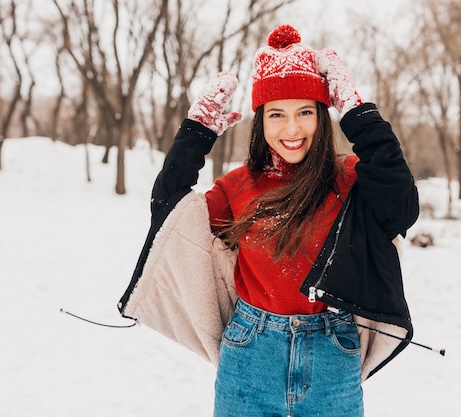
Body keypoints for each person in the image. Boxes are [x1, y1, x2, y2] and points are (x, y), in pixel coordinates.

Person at [118, 24, 419, 417]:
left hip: (332, 354)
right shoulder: (237, 186)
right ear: (260, 121)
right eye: (277, 114)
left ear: (322, 117)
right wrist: (197, 132)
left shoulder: (350, 178)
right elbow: (169, 213)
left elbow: (402, 208)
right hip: (250, 354)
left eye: (305, 113)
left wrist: (355, 110)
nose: (291, 129)